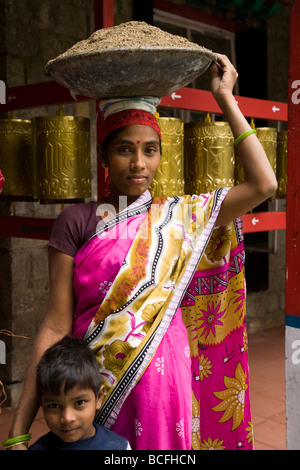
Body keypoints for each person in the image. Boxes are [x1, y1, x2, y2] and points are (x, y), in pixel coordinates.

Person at [6, 53, 277, 451]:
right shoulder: (77, 221)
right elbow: (55, 324)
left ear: (160, 156)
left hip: (165, 387)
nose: (138, 163)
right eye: (124, 150)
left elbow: (264, 185)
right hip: (97, 382)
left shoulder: (181, 215)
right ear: (103, 156)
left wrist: (225, 98)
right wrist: (19, 428)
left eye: (150, 150)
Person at [26, 335, 130, 450]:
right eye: (54, 406)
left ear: (99, 397)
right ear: (42, 404)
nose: (67, 418)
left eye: (79, 402)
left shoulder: (119, 447)